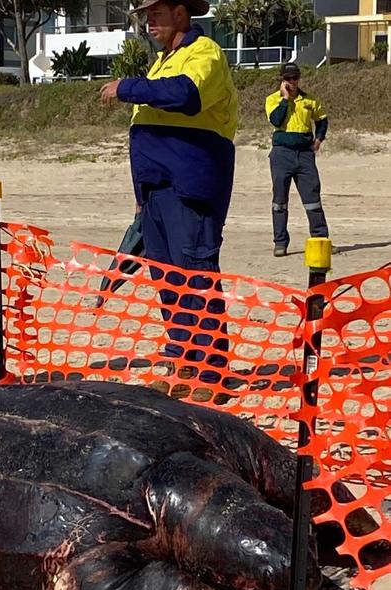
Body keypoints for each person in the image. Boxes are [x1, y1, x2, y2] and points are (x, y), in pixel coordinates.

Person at [99, 0, 237, 398]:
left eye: (156, 12)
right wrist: (141, 196)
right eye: (146, 15)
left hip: (190, 186)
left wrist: (127, 86)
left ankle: (209, 374)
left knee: (196, 274)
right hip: (157, 190)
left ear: (181, 13)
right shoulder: (162, 62)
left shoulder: (204, 53)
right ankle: (182, 363)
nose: (149, 21)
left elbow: (186, 95)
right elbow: (149, 124)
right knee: (167, 279)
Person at [266, 62, 329, 257]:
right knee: (280, 201)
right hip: (282, 154)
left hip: (304, 155)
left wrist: (318, 139)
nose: (292, 82)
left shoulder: (309, 100)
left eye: (295, 78)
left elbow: (322, 120)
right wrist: (285, 100)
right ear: (282, 80)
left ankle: (320, 240)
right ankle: (280, 243)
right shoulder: (272, 100)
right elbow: (276, 120)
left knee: (312, 199)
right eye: (288, 79)